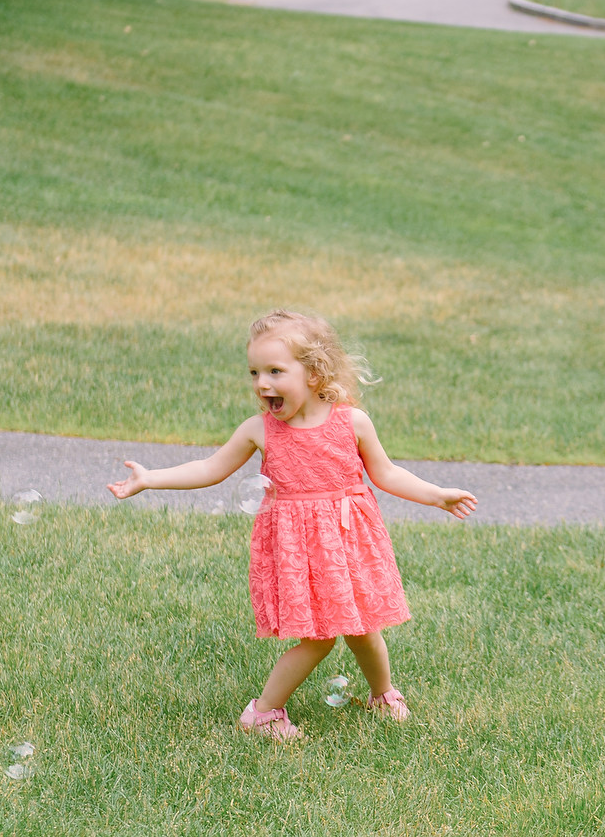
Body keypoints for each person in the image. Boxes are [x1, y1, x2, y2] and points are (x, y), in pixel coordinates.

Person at [107, 309, 478, 739]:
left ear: (315, 373)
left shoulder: (351, 422)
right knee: (319, 639)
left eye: (275, 371)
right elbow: (210, 468)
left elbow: (388, 473)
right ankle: (263, 714)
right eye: (255, 372)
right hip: (298, 551)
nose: (262, 383)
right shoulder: (259, 431)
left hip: (346, 543)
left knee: (362, 628)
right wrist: (151, 478)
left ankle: (383, 694)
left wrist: (438, 495)